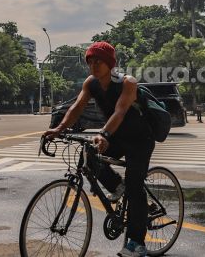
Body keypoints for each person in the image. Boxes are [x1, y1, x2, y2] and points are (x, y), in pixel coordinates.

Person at [43, 41, 155, 257]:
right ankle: (116, 186)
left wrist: (103, 134)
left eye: (98, 61)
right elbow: (77, 107)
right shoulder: (91, 83)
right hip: (116, 137)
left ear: (110, 64)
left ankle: (137, 243)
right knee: (89, 157)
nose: (93, 66)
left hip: (139, 139)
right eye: (90, 61)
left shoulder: (127, 83)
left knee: (134, 185)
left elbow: (120, 112)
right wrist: (59, 128)